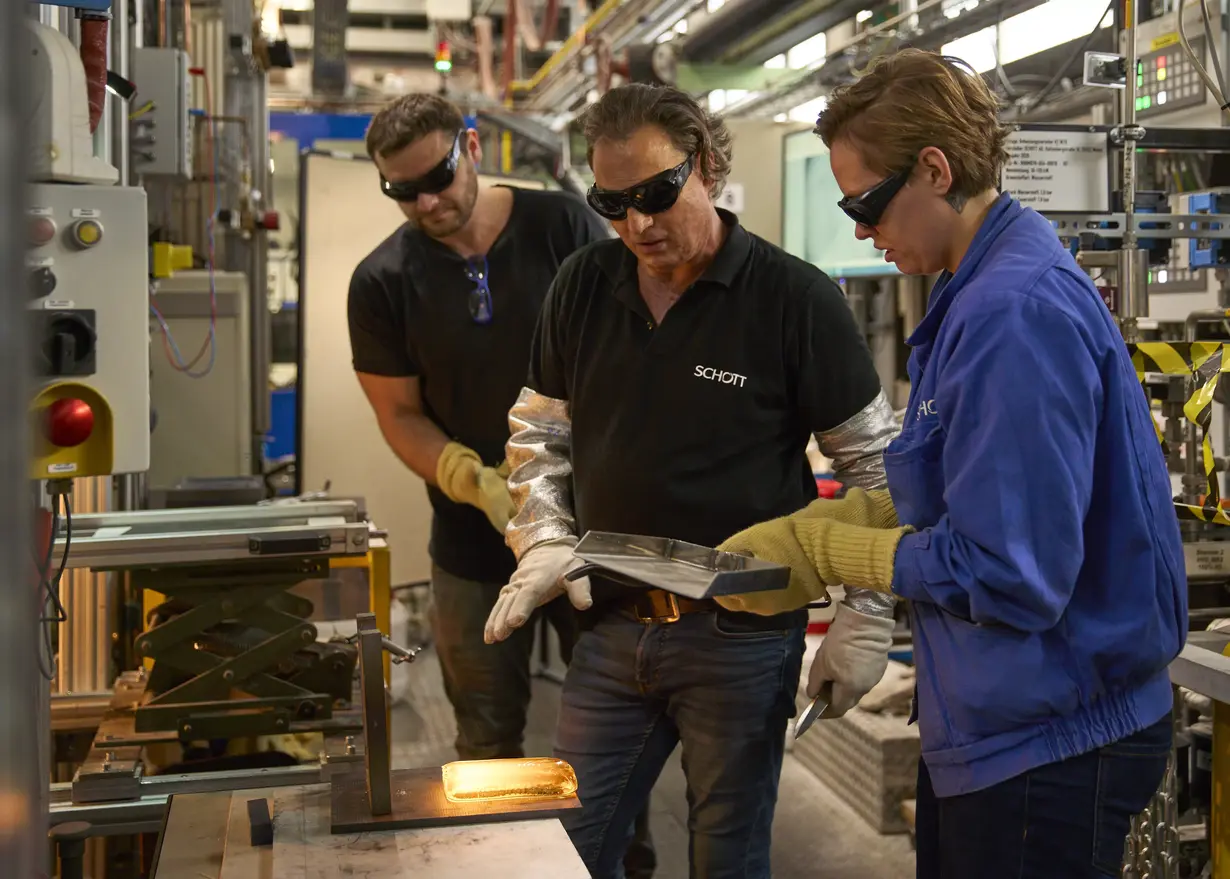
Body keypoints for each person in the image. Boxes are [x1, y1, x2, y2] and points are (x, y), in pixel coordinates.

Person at [719, 50, 1187, 879]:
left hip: (1052, 744)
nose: (861, 230)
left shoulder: (1011, 314)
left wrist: (836, 552)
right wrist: (825, 521)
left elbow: (1015, 571)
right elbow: (963, 491)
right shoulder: (973, 293)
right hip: (1007, 724)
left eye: (866, 203)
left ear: (935, 169)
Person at [484, 83, 900, 879]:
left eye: (656, 194)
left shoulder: (793, 300)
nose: (637, 224)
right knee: (562, 847)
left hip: (741, 636)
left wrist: (867, 613)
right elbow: (539, 434)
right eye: (613, 203)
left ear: (707, 166)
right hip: (607, 627)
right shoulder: (582, 286)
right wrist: (542, 539)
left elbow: (875, 466)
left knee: (727, 856)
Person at [346, 94, 610, 765]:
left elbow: (623, 362)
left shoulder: (564, 226)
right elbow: (398, 413)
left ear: (471, 146)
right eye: (401, 191)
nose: (426, 204)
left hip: (591, 524)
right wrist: (473, 481)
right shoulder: (381, 281)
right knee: (486, 741)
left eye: (436, 179)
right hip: (472, 540)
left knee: (611, 732)